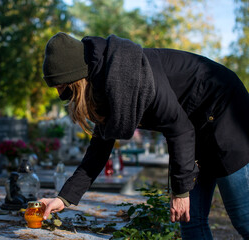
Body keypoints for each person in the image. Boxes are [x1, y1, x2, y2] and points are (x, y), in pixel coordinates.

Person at [38, 32, 249, 239]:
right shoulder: (102, 85)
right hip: (193, 126)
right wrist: (64, 198)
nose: (61, 96)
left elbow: (180, 129)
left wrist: (181, 192)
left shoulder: (131, 76)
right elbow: (99, 149)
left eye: (63, 88)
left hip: (225, 110)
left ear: (78, 80)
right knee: (190, 220)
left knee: (243, 218)